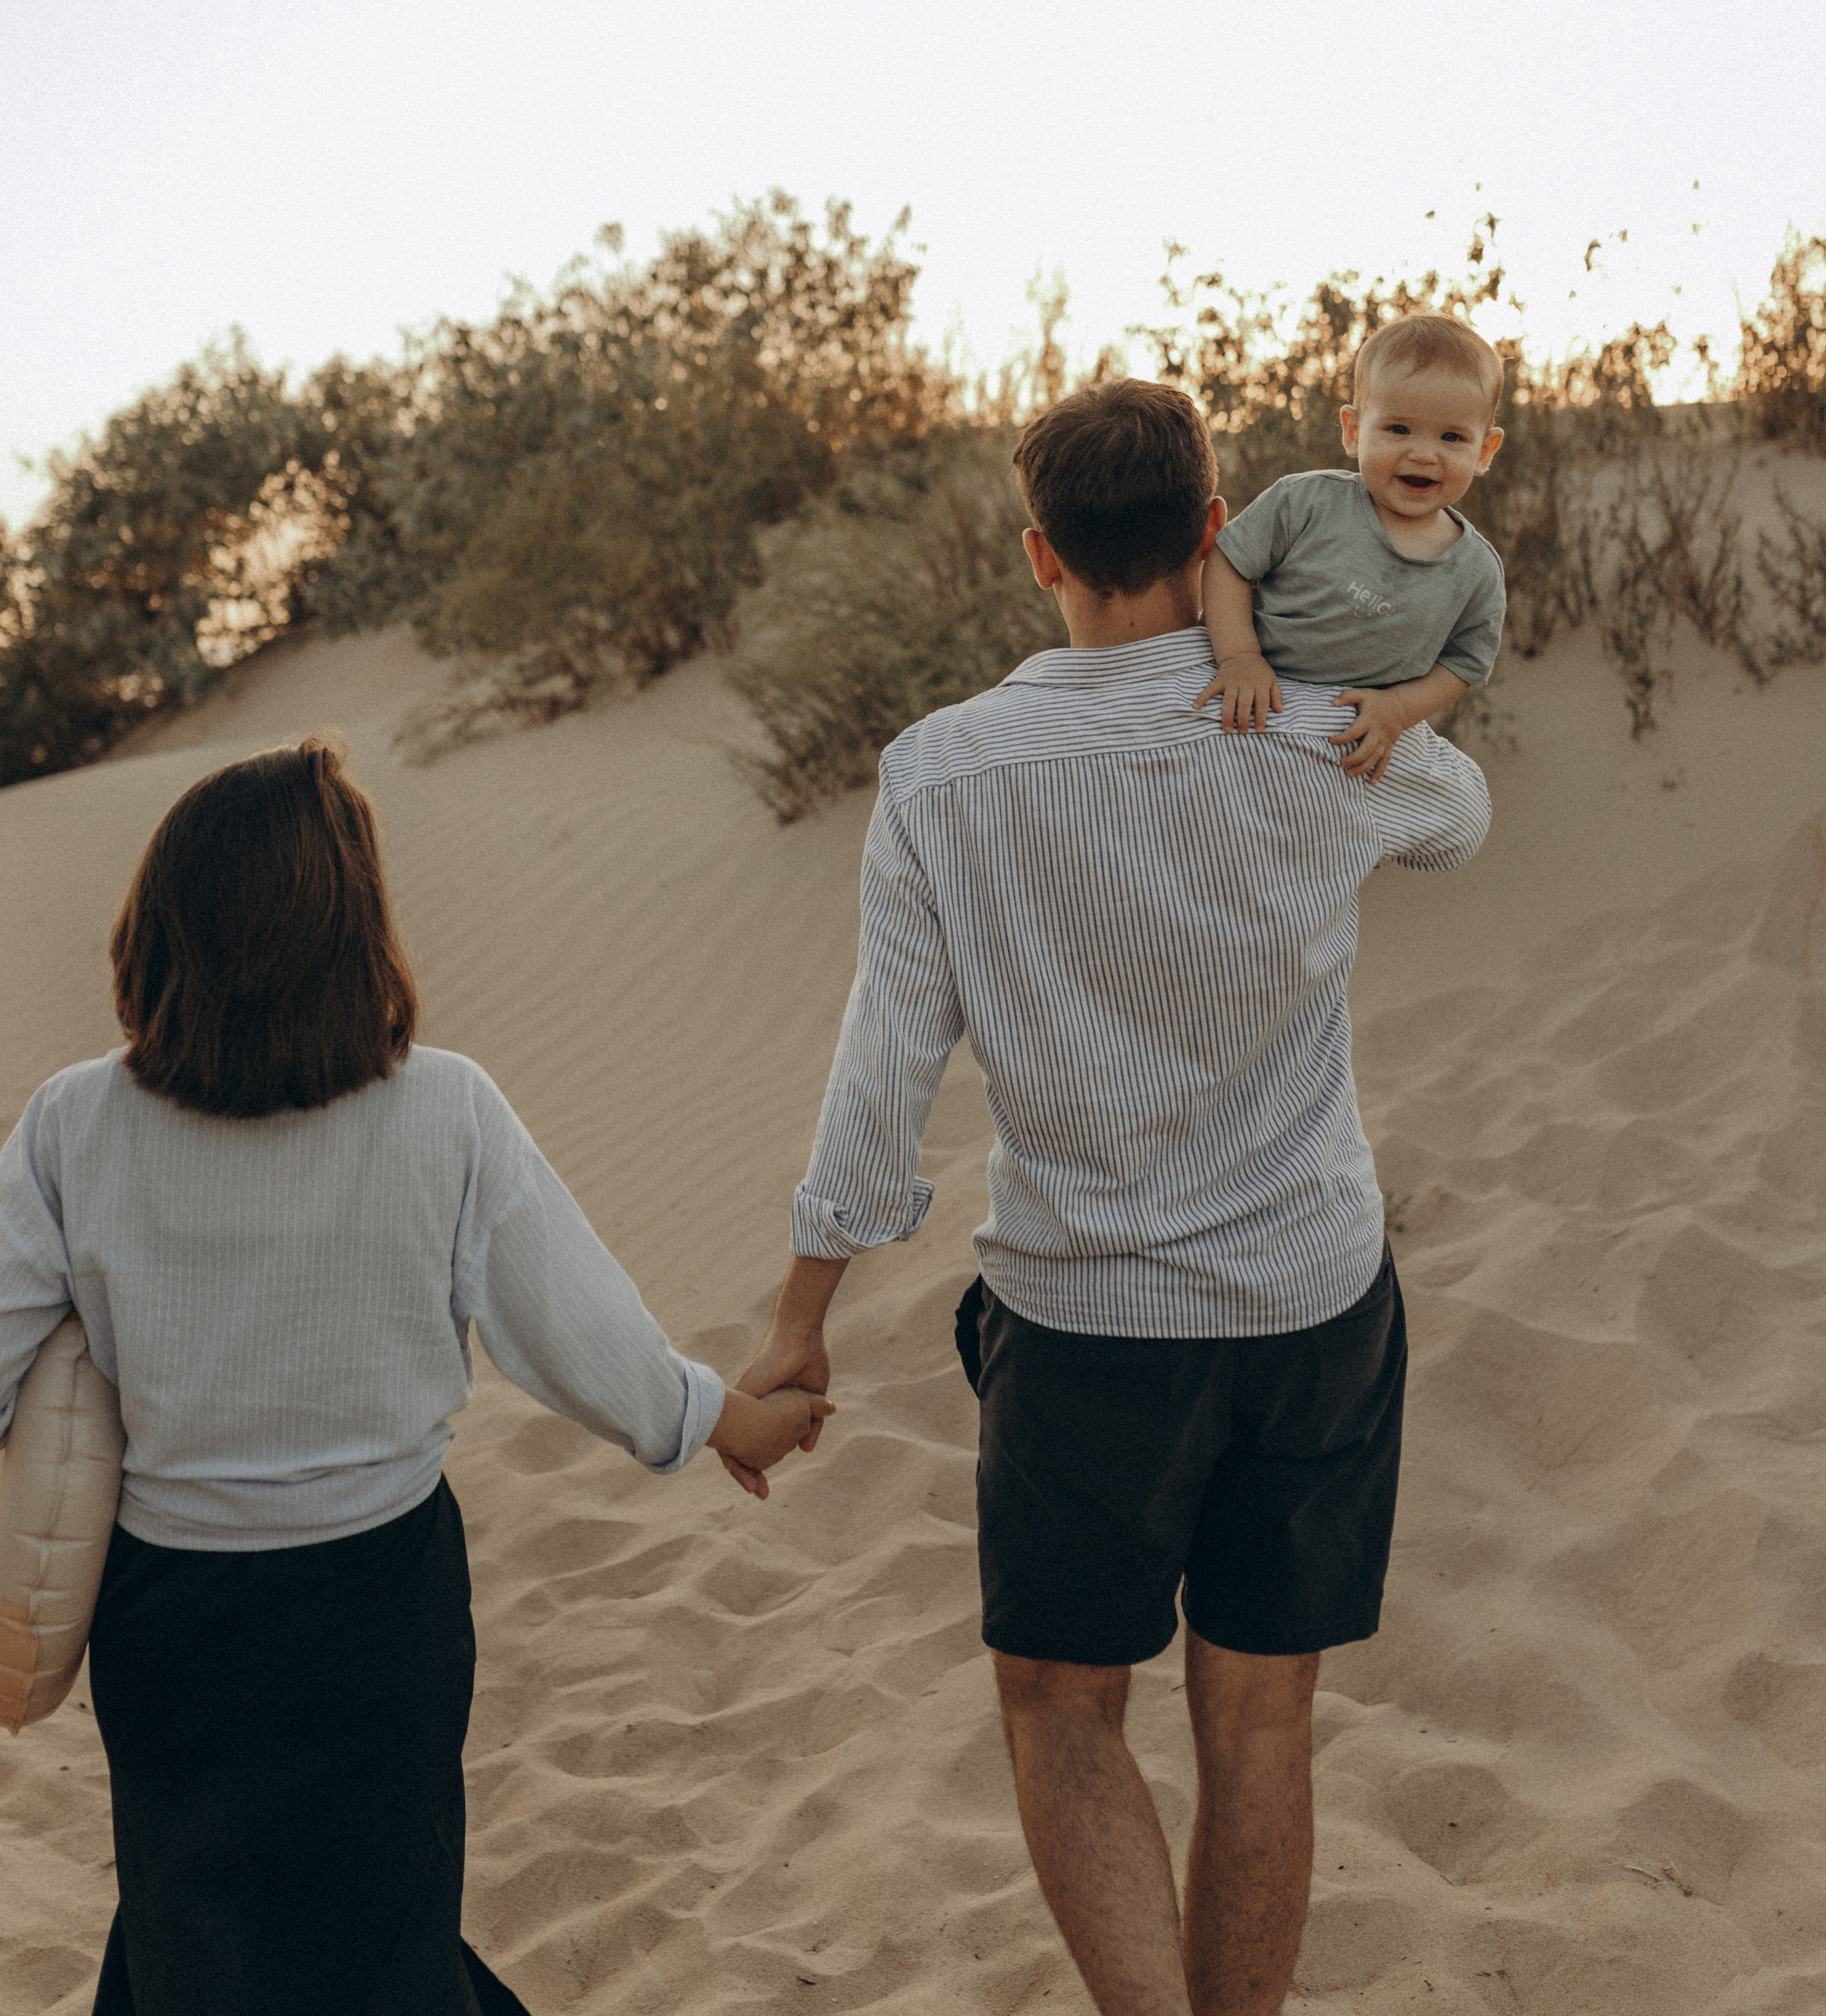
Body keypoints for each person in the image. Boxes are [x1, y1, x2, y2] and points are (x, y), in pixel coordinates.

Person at [726, 378, 1491, 2016]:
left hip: (1082, 1325)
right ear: (1214, 531)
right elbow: (1458, 817)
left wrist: (797, 1325)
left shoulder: (942, 774)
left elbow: (881, 1078)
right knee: (1257, 1712)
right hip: (1308, 1302)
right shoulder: (1308, 728)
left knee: (1062, 1704)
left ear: (1036, 555)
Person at [0, 740, 827, 2016]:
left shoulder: (73, 1125)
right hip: (376, 1602)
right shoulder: (443, 1112)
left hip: (173, 1615)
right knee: (380, 1922)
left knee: (190, 1920)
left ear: (161, 927)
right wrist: (722, 1419)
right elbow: (581, 1336)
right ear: (353, 933)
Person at [1196, 313, 1506, 783]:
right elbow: (1228, 561)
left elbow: (1465, 661)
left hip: (1347, 740)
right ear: (1354, 430)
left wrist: (1399, 708)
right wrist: (1239, 655)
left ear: (1484, 450)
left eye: (1452, 437)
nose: (1423, 453)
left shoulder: (1476, 571)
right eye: (1398, 429)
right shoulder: (1306, 502)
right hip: (1247, 699)